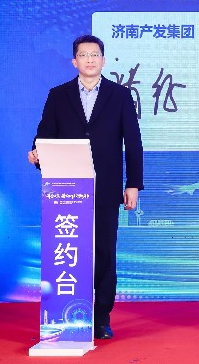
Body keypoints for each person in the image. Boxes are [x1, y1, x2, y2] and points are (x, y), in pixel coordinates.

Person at [28, 34, 143, 340]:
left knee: (104, 250)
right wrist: (36, 154)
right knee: (69, 249)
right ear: (74, 61)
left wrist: (133, 183)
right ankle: (65, 311)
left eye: (95, 55)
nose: (90, 59)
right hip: (67, 187)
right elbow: (44, 135)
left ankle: (101, 316)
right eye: (84, 55)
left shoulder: (120, 95)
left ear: (103, 61)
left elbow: (133, 142)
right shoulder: (58, 95)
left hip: (106, 185)